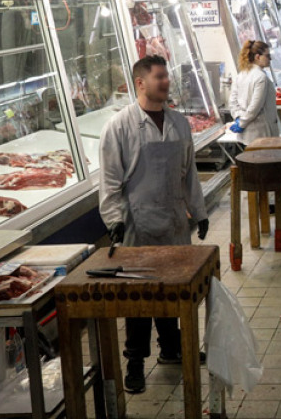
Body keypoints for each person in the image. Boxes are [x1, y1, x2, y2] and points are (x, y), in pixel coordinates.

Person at [98, 55, 210, 394]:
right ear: (140, 83)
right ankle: (134, 362)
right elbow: (110, 181)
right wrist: (114, 220)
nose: (166, 82)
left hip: (175, 220)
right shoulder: (120, 125)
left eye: (166, 76)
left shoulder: (179, 122)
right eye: (159, 77)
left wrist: (199, 211)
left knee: (171, 288)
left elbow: (189, 173)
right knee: (139, 296)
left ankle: (172, 349)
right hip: (137, 222)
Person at [228, 40, 281, 144]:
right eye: (268, 56)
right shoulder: (261, 77)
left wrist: (238, 118)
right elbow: (255, 107)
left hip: (246, 135)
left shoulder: (240, 75)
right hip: (262, 134)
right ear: (257, 57)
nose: (270, 59)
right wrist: (242, 123)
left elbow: (233, 103)